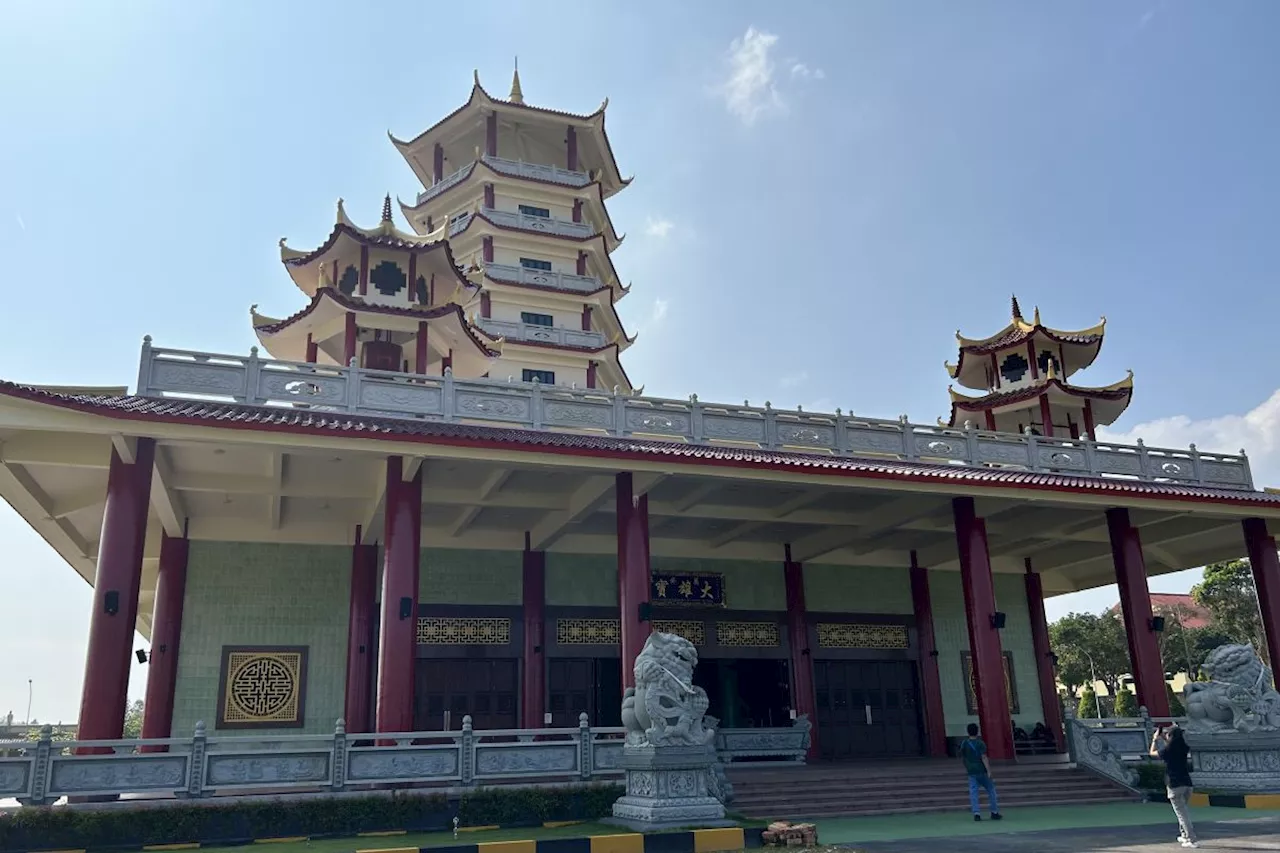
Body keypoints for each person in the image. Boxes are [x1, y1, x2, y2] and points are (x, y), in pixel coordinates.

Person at [1151, 724, 1197, 848]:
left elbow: (1152, 753)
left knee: (1182, 814)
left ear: (1170, 736)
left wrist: (1155, 739)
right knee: (1183, 812)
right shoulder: (1184, 747)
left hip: (1174, 785)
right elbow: (1173, 745)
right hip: (1187, 784)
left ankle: (1191, 839)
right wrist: (1166, 737)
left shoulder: (1167, 750)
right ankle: (1184, 835)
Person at [959, 722, 1001, 821]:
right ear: (977, 731)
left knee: (973, 792)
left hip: (971, 771)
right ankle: (994, 812)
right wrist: (989, 770)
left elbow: (962, 756)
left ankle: (976, 813)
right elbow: (984, 757)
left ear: (968, 732)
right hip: (982, 770)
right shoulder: (980, 743)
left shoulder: (964, 743)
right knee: (991, 790)